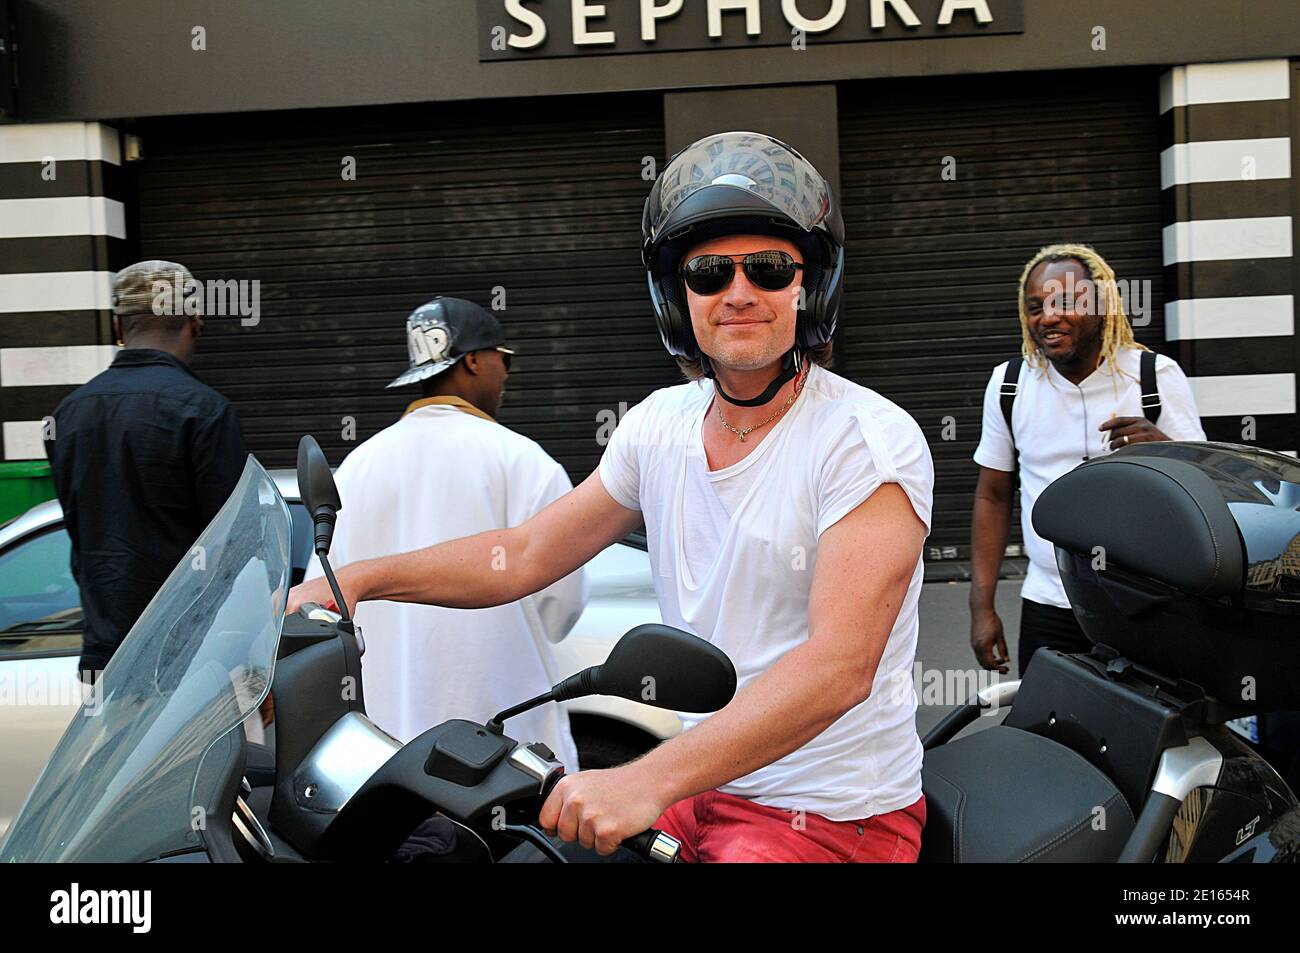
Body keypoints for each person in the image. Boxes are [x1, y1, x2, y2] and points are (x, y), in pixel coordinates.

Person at [289, 132, 934, 863]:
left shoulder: (866, 439)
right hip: (705, 785)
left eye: (769, 268)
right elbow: (526, 553)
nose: (739, 291)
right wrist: (358, 580)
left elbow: (838, 666)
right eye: (710, 273)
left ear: (808, 285)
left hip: (826, 811)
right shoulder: (658, 425)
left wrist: (644, 779)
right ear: (676, 295)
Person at [303, 297, 587, 769]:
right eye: (503, 358)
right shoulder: (523, 460)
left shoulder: (358, 465)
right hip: (502, 747)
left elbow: (326, 606)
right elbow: (562, 606)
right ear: (473, 360)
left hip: (386, 750)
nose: (506, 372)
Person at [969, 243, 1206, 677]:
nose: (1048, 317)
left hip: (1145, 604)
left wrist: (1164, 449)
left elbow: (1204, 487)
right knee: (1050, 734)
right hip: (1050, 603)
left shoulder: (1154, 377)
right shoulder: (1010, 385)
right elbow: (993, 496)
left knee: (1150, 733)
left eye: (1064, 302)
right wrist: (981, 606)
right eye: (1035, 306)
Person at [44, 260, 245, 681]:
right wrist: (245, 660)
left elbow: (84, 535)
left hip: (105, 662)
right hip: (192, 660)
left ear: (118, 328)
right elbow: (233, 548)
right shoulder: (205, 411)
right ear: (195, 320)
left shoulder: (66, 416)